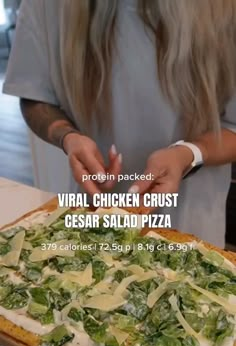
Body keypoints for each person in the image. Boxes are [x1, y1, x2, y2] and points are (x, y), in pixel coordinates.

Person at [3, 0, 236, 248]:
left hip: (191, 219)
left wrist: (189, 154)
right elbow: (34, 96)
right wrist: (67, 137)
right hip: (92, 215)